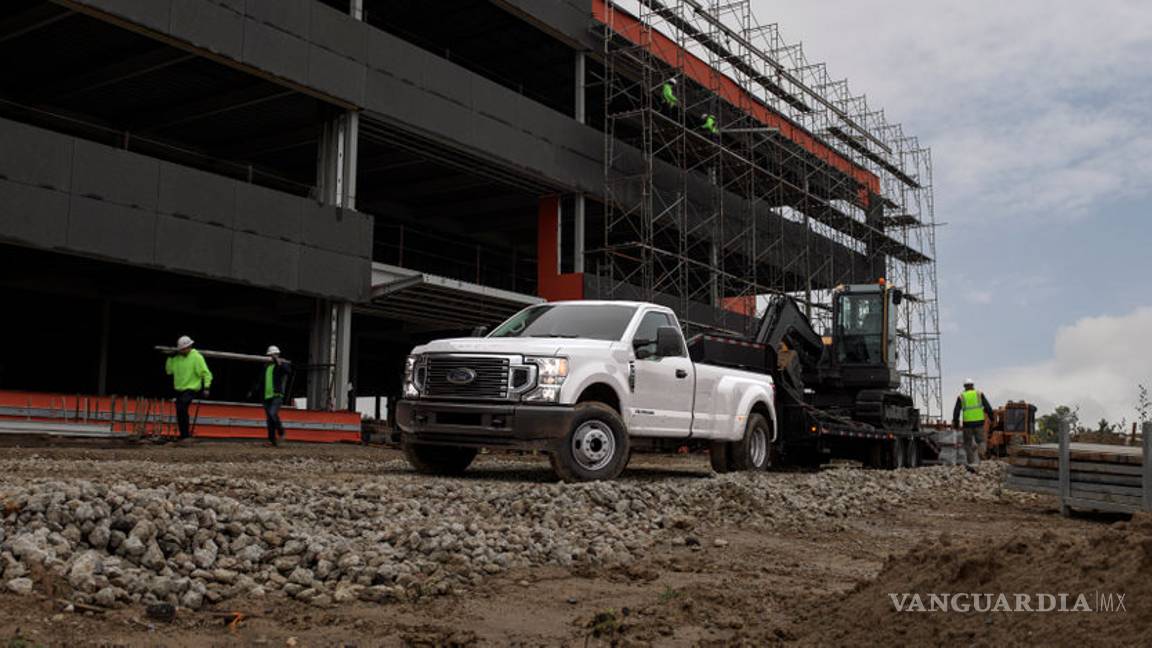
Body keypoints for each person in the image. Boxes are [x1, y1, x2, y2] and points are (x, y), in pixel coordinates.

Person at [165, 335, 212, 443]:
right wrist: (170, 358)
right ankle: (183, 435)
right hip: (179, 389)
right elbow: (169, 371)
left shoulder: (196, 357)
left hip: (191, 388)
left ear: (189, 347)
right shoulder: (176, 358)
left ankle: (185, 435)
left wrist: (206, 387)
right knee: (180, 411)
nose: (183, 351)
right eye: (181, 349)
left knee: (182, 407)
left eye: (185, 348)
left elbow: (206, 373)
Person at [250, 345, 292, 447]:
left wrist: (280, 363)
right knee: (269, 419)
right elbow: (260, 381)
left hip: (277, 395)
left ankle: (281, 431)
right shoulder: (266, 367)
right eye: (270, 355)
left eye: (273, 355)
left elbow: (288, 371)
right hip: (266, 396)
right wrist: (253, 390)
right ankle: (272, 441)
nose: (271, 357)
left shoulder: (281, 365)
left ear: (277, 355)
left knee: (273, 414)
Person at [952, 378, 993, 468]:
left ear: (964, 387)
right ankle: (981, 453)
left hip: (967, 424)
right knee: (981, 441)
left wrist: (956, 423)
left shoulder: (961, 396)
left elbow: (956, 411)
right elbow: (988, 407)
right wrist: (991, 418)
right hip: (979, 422)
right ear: (973, 385)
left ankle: (971, 462)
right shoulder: (979, 394)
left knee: (968, 443)